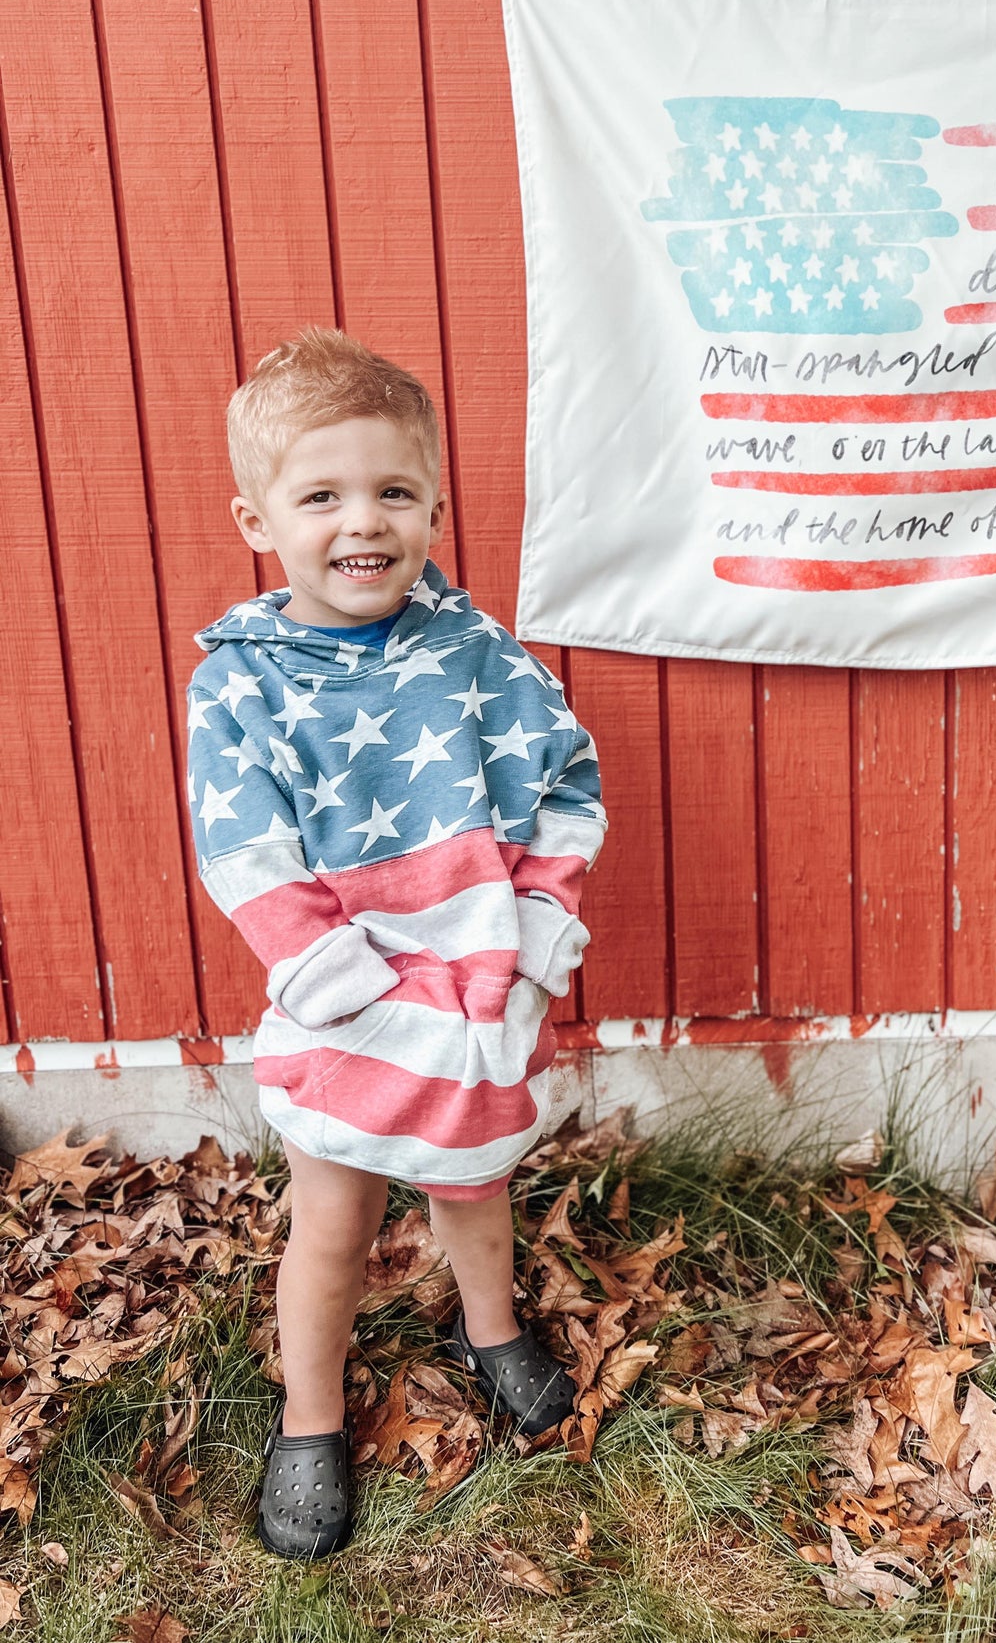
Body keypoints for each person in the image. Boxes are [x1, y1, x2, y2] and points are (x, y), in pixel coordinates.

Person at [184, 327, 606, 1560]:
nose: (360, 522)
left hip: (480, 992)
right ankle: (310, 1419)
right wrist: (345, 988)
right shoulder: (242, 685)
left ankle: (490, 1330)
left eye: (392, 491)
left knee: (474, 1194)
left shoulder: (476, 655)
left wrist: (533, 942)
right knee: (336, 1220)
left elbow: (566, 781)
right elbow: (245, 849)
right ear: (258, 517)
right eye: (321, 495)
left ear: (430, 503)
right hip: (349, 1007)